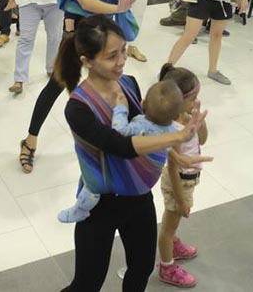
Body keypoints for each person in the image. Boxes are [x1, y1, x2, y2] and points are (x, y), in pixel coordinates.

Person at [57, 14, 207, 292]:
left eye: (123, 51)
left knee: (141, 268)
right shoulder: (78, 108)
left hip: (138, 196)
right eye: (111, 56)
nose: (122, 61)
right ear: (87, 61)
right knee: (87, 283)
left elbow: (146, 131)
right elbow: (122, 146)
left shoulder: (130, 83)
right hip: (100, 205)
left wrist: (176, 155)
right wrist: (177, 136)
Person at [17, 0, 135, 173]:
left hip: (107, 35)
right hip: (79, 35)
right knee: (57, 85)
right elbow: (85, 1)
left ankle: (110, 137)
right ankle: (30, 140)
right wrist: (118, 9)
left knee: (110, 87)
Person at [58, 78, 183, 223]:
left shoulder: (141, 126)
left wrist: (121, 108)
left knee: (92, 185)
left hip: (126, 184)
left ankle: (80, 210)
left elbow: (120, 134)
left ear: (143, 103)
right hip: (146, 186)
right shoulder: (174, 130)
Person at [156, 64, 207, 287]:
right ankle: (166, 267)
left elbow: (203, 140)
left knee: (173, 222)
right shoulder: (172, 129)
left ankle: (174, 244)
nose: (195, 102)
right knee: (168, 226)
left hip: (188, 179)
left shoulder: (187, 117)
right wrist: (180, 199)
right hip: (178, 183)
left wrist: (199, 122)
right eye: (192, 98)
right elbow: (173, 167)